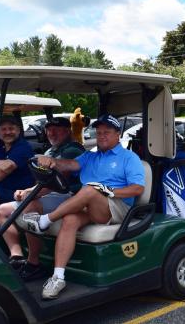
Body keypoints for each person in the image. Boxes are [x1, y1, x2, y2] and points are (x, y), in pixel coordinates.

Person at [23, 114, 145, 299]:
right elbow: (70, 164)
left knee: (90, 189)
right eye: (99, 132)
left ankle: (44, 221)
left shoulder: (129, 157)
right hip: (93, 206)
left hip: (118, 207)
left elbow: (137, 188)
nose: (102, 135)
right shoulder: (90, 156)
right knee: (70, 219)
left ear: (117, 135)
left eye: (107, 132)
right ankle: (58, 276)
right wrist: (53, 162)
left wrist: (108, 191)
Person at [0, 117, 85, 279]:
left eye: (57, 130)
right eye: (49, 130)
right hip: (51, 194)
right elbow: (40, 181)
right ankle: (17, 257)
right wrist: (25, 191)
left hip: (70, 196)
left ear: (67, 131)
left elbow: (56, 182)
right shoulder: (50, 151)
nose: (52, 133)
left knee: (29, 207)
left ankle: (34, 263)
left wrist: (30, 193)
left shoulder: (72, 149)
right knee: (2, 211)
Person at [0, 116, 35, 215]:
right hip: (2, 190)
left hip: (19, 193)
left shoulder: (23, 147)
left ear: (18, 131)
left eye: (11, 129)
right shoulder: (0, 146)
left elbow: (6, 168)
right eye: (4, 129)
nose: (8, 132)